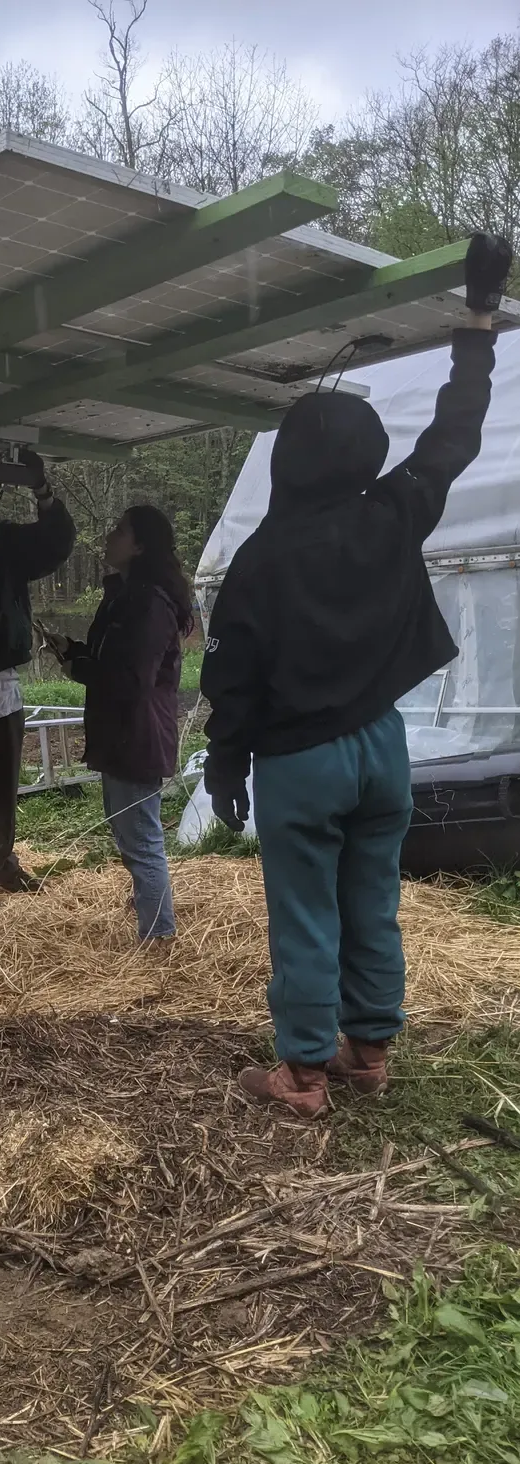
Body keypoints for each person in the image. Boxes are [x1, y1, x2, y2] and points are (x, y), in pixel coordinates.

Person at [200, 231, 513, 1120]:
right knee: (371, 898)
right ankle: (366, 1050)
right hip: (383, 746)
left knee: (305, 912)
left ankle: (299, 1074)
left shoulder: (258, 562)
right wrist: (478, 318)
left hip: (300, 762)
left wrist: (227, 767)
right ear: (368, 453)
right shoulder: (393, 510)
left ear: (288, 461)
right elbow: (457, 430)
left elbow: (233, 687)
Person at [48, 505, 195, 943]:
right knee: (131, 833)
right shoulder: (126, 595)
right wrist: (73, 650)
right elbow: (114, 659)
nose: (110, 536)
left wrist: (80, 669)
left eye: (119, 530)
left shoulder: (149, 603)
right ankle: (152, 919)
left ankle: (159, 940)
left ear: (140, 546)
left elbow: (133, 677)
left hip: (138, 735)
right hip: (123, 733)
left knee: (142, 841)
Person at [0, 448, 76, 892]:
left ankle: (1, 863)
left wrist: (42, 490)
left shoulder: (1, 541)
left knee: (1, 789)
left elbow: (54, 543)